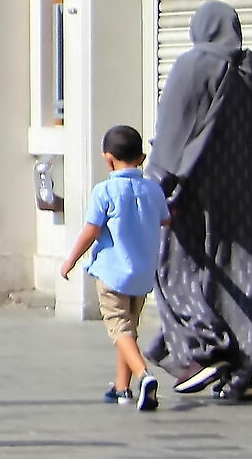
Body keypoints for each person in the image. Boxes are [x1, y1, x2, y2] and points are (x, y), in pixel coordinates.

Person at [145, 1, 252, 402]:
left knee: (174, 271)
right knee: (245, 279)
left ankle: (206, 353)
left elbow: (172, 134)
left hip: (198, 197)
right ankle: (241, 374)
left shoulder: (194, 65)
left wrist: (155, 186)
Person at [58, 124, 169, 412]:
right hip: (143, 274)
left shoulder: (104, 191)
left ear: (108, 158)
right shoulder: (152, 190)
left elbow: (91, 231)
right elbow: (165, 219)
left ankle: (144, 377)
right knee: (129, 328)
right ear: (142, 158)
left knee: (119, 328)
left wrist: (71, 260)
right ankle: (122, 387)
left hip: (112, 273)